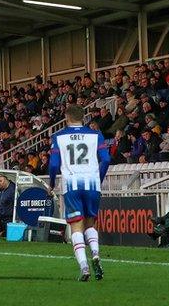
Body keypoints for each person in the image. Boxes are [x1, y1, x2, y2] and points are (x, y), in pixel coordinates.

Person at [48, 105, 111, 281]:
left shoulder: (58, 136)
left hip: (72, 184)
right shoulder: (95, 134)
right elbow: (106, 159)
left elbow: (53, 165)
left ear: (66, 118)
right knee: (90, 224)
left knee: (76, 226)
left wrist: (51, 184)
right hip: (92, 184)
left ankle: (84, 267)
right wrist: (98, 178)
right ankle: (96, 255)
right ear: (83, 117)